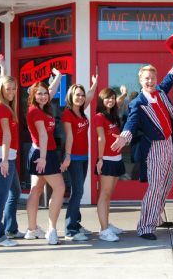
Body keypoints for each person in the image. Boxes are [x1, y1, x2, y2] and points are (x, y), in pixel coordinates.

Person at [111, 55, 173, 240]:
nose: (150, 81)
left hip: (168, 144)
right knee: (155, 187)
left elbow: (170, 79)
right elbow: (131, 123)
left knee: (167, 184)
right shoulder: (137, 103)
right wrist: (124, 137)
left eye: (152, 78)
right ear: (140, 80)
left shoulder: (159, 91)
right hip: (154, 147)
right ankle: (145, 227)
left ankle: (156, 216)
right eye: (146, 78)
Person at [24, 68, 65, 245]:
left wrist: (59, 77)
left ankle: (32, 229)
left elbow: (52, 90)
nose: (43, 96)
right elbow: (42, 134)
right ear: (33, 95)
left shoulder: (42, 107)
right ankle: (52, 230)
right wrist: (42, 158)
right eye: (39, 94)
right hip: (43, 153)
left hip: (41, 152)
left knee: (36, 190)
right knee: (60, 188)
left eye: (44, 94)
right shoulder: (35, 111)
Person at [0, 55, 24, 247]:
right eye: (7, 89)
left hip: (8, 156)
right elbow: (6, 136)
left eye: (13, 89)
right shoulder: (1, 108)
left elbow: (3, 82)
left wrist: (2, 67)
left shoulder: (5, 105)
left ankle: (11, 228)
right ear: (1, 91)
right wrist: (4, 161)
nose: (11, 91)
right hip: (3, 157)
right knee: (1, 197)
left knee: (15, 192)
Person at [60, 75, 98, 241]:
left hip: (84, 156)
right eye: (77, 95)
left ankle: (76, 223)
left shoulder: (81, 111)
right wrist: (67, 156)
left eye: (82, 95)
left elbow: (89, 95)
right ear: (70, 96)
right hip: (74, 157)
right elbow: (69, 137)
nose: (81, 97)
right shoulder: (68, 114)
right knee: (77, 192)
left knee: (78, 191)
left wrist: (94, 84)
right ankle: (70, 230)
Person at [94, 88, 126, 242]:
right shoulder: (99, 117)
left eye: (112, 98)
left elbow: (118, 102)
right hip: (106, 159)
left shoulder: (112, 115)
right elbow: (101, 138)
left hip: (117, 159)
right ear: (101, 100)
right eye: (107, 98)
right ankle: (104, 230)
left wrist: (124, 94)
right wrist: (100, 159)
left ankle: (106, 224)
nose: (111, 101)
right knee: (104, 195)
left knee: (108, 196)